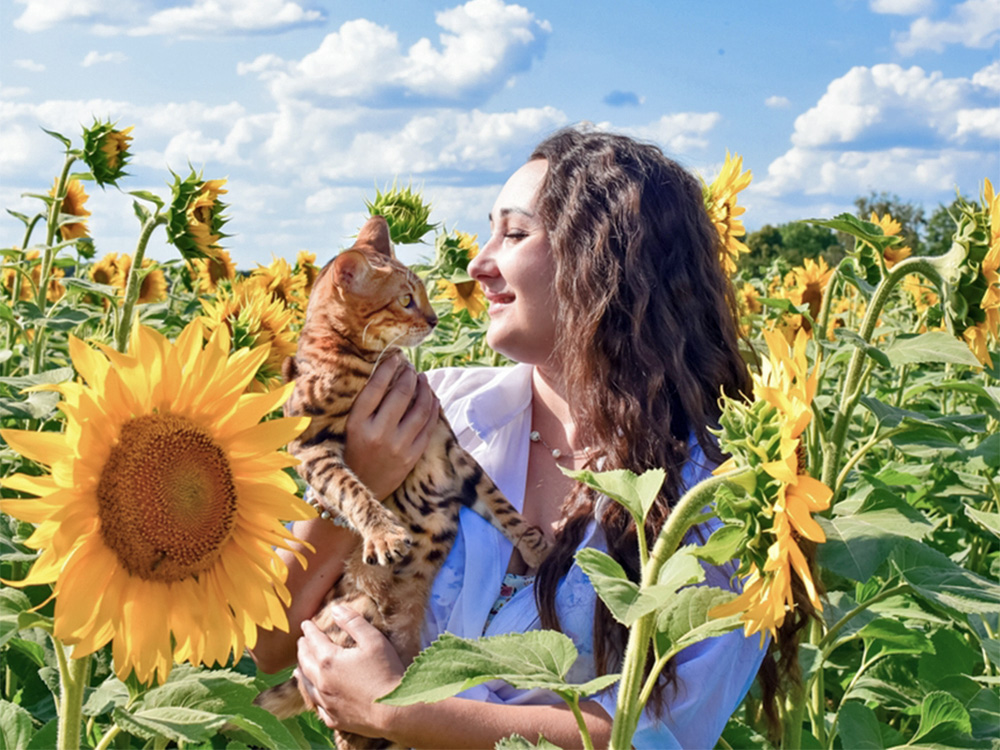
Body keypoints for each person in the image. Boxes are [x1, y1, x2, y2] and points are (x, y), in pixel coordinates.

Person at [251, 128, 770, 749]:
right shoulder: (430, 407)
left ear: (609, 260)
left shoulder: (720, 498)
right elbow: (270, 643)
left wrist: (402, 711)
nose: (477, 262)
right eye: (488, 230)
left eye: (515, 234)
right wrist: (361, 486)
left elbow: (662, 737)